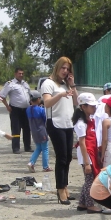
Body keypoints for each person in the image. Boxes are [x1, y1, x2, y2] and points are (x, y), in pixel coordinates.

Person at [41, 57, 78, 204]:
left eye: (67, 69)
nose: (65, 71)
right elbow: (47, 102)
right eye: (63, 68)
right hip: (55, 123)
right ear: (57, 68)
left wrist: (72, 85)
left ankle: (65, 187)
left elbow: (76, 103)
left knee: (68, 157)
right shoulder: (48, 83)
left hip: (68, 123)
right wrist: (61, 94)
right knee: (61, 157)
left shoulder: (66, 85)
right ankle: (60, 190)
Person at [73, 92, 103, 213]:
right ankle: (90, 205)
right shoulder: (81, 123)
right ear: (83, 107)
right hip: (87, 155)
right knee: (90, 181)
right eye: (92, 106)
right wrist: (86, 163)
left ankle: (82, 203)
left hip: (91, 152)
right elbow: (82, 143)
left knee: (89, 180)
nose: (94, 108)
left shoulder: (89, 119)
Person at [0, 67, 32, 154]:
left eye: (22, 74)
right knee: (16, 129)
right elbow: (2, 96)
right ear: (15, 74)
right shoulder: (10, 84)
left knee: (27, 128)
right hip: (15, 109)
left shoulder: (25, 84)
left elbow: (30, 95)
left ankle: (27, 147)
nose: (21, 75)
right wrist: (7, 106)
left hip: (26, 109)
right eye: (19, 73)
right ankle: (16, 148)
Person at [26, 91, 51, 174]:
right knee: (45, 148)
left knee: (38, 148)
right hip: (41, 131)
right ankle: (45, 166)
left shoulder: (28, 109)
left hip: (33, 131)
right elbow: (45, 120)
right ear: (38, 99)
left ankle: (31, 162)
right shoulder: (41, 110)